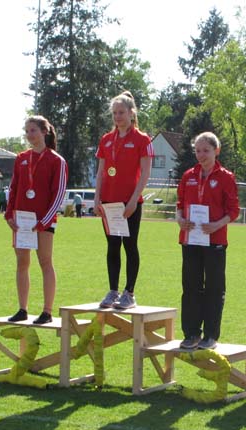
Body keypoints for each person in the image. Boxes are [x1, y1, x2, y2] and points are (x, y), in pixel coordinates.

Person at [176, 132, 239, 350]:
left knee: (214, 288)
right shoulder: (188, 176)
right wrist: (180, 219)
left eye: (206, 150)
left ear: (216, 151)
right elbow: (179, 204)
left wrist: (216, 225)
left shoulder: (226, 177)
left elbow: (234, 210)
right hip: (190, 239)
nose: (201, 155)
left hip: (215, 240)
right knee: (190, 286)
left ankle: (211, 335)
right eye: (198, 151)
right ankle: (191, 333)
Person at [4, 115, 68, 324]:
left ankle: (47, 312)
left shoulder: (56, 161)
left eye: (33, 130)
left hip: (43, 222)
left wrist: (44, 221)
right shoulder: (21, 158)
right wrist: (9, 214)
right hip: (22, 220)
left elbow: (58, 194)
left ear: (44, 132)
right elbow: (14, 188)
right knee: (22, 262)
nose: (29, 135)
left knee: (45, 262)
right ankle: (22, 309)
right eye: (27, 131)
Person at [94, 91, 153, 310]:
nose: (117, 117)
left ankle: (129, 293)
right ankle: (113, 291)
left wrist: (133, 200)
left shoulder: (142, 139)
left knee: (130, 245)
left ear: (131, 113)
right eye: (115, 113)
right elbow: (101, 172)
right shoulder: (106, 140)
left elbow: (145, 173)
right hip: (109, 203)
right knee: (112, 246)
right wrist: (97, 198)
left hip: (129, 203)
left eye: (121, 112)